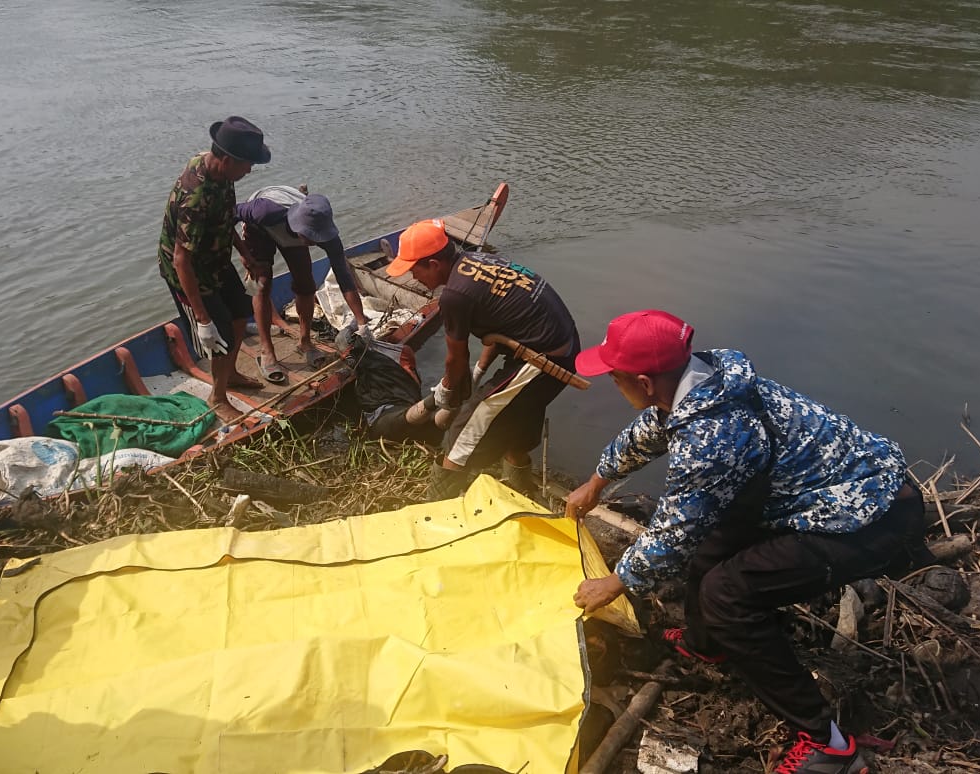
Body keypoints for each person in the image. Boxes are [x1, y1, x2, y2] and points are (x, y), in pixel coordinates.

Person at [565, 309, 930, 774]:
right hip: (827, 491)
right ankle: (707, 642)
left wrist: (618, 580)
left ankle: (828, 744)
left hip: (868, 516)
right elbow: (653, 430)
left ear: (644, 380)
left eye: (616, 378)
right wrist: (598, 480)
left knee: (727, 593)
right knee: (712, 542)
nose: (614, 387)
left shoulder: (709, 438)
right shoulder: (704, 382)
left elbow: (675, 530)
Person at [383, 219, 580, 498]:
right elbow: (501, 328)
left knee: (464, 429)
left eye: (414, 269)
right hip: (563, 346)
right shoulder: (478, 260)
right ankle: (522, 491)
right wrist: (480, 370)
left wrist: (449, 392)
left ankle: (437, 504)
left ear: (434, 264)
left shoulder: (454, 295)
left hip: (542, 361)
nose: (414, 277)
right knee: (517, 425)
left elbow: (455, 358)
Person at [158, 116, 270, 423]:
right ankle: (217, 398)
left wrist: (245, 254)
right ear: (226, 159)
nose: (249, 170)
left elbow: (225, 219)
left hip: (214, 258)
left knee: (239, 312)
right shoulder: (196, 196)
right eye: (246, 164)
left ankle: (229, 374)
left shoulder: (222, 174)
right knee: (218, 330)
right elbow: (182, 260)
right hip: (189, 270)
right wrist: (203, 319)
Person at [235, 185, 369, 382]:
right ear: (300, 226)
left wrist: (361, 321)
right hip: (259, 228)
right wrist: (244, 254)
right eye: (311, 236)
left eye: (318, 237)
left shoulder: (327, 235)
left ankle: (305, 342)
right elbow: (227, 215)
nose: (315, 242)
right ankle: (266, 350)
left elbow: (344, 277)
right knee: (260, 284)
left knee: (306, 283)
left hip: (290, 232)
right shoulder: (263, 211)